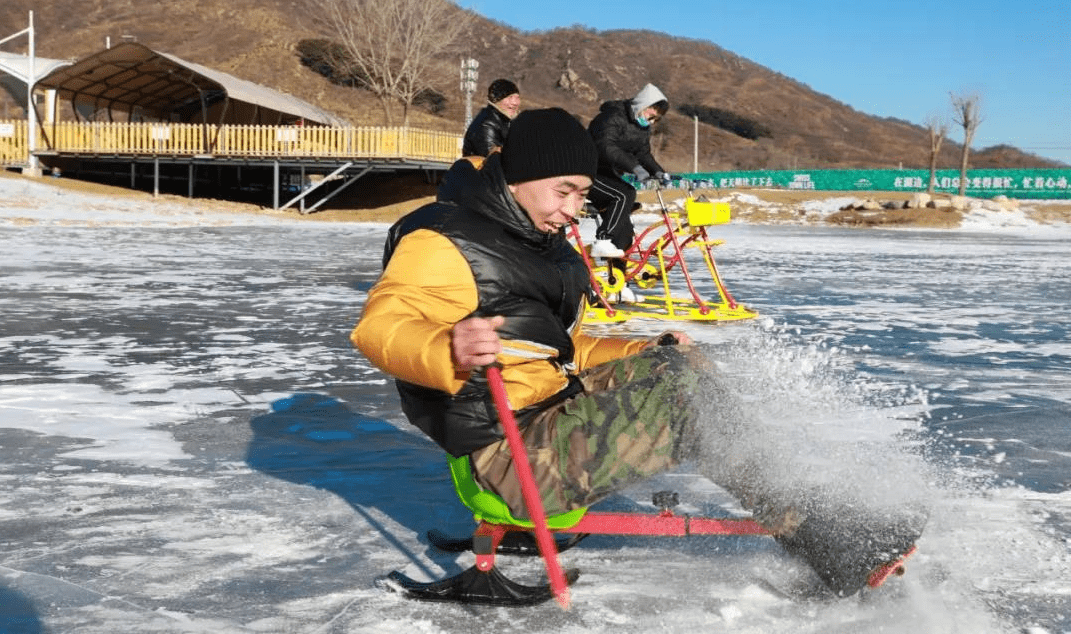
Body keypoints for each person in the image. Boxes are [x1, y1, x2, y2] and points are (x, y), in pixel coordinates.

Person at [351, 107, 927, 597]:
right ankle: (822, 538)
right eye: (565, 191)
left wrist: (647, 347)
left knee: (680, 366)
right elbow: (380, 326)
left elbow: (561, 346)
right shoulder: (444, 241)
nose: (576, 207)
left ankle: (806, 506)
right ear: (522, 177)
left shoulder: (536, 239)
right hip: (505, 456)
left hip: (545, 411)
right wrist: (446, 347)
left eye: (581, 192)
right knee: (684, 405)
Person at [585, 83, 671, 269]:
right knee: (624, 193)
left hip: (607, 173)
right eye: (652, 115)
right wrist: (635, 168)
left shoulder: (642, 127)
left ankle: (619, 281)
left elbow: (643, 153)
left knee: (624, 231)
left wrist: (658, 172)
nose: (652, 122)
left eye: (656, 119)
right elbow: (606, 147)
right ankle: (603, 240)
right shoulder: (611, 117)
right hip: (586, 171)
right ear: (644, 105)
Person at [461, 78, 521, 159]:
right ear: (496, 99)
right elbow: (492, 160)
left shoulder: (506, 121)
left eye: (517, 98)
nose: (515, 103)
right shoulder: (486, 125)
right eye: (509, 97)